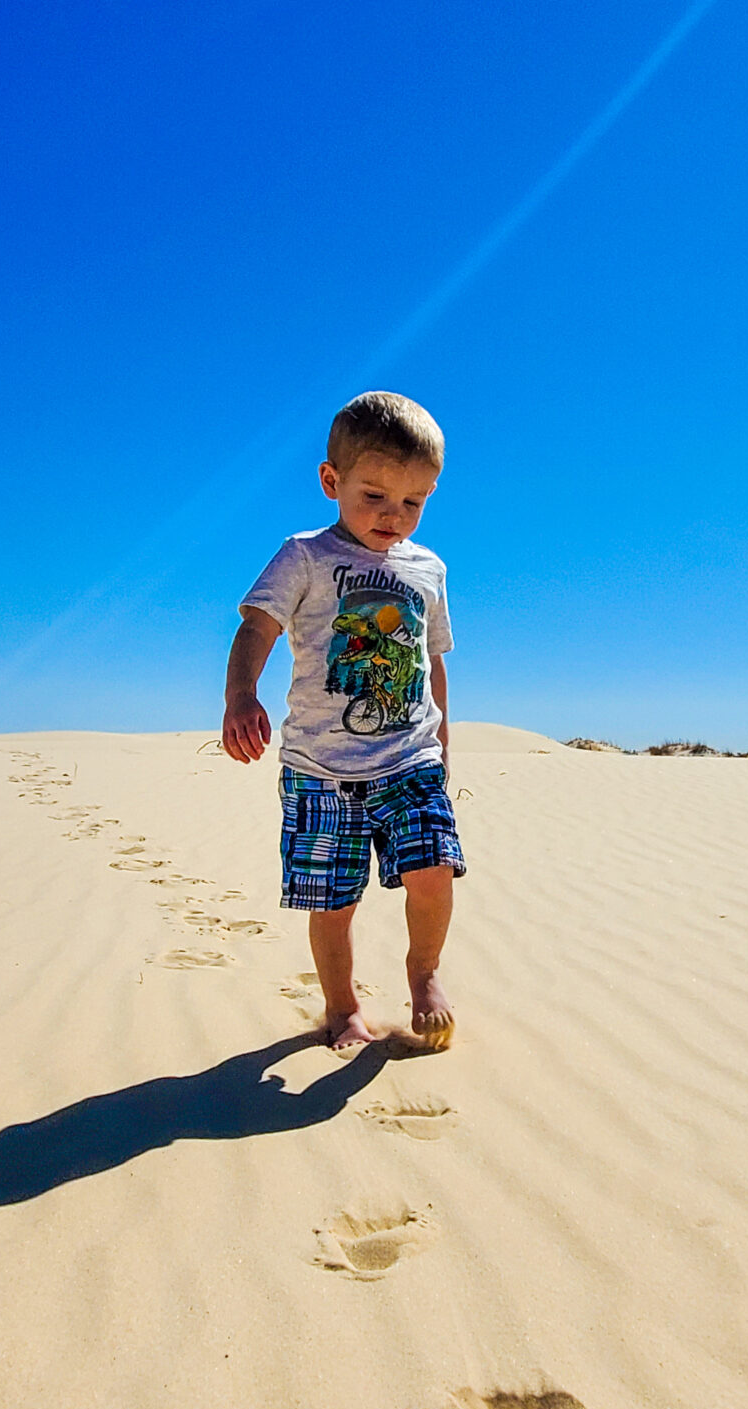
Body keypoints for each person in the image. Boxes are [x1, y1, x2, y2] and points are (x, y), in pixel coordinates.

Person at [222, 391, 464, 1053]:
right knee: (332, 903)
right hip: (320, 771)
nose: (394, 516)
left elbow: (432, 660)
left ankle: (424, 971)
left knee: (434, 870)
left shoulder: (429, 570)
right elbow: (258, 627)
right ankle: (341, 1006)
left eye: (413, 502)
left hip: (410, 761)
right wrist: (240, 696)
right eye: (375, 496)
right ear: (332, 481)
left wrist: (442, 742)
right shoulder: (303, 555)